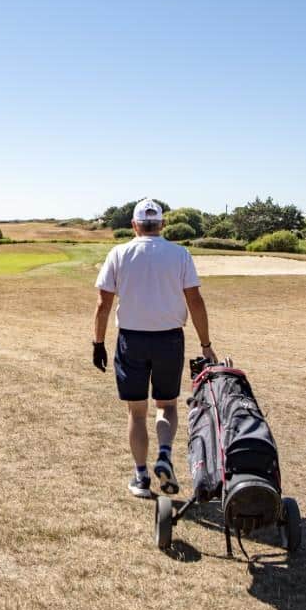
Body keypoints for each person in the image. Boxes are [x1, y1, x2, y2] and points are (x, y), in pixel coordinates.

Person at [92, 198, 218, 498]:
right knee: (167, 405)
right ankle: (163, 454)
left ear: (134, 225)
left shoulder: (119, 253)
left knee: (136, 413)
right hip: (169, 340)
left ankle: (141, 477)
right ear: (162, 224)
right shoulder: (179, 254)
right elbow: (195, 300)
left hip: (131, 340)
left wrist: (97, 343)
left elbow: (103, 304)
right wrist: (206, 344)